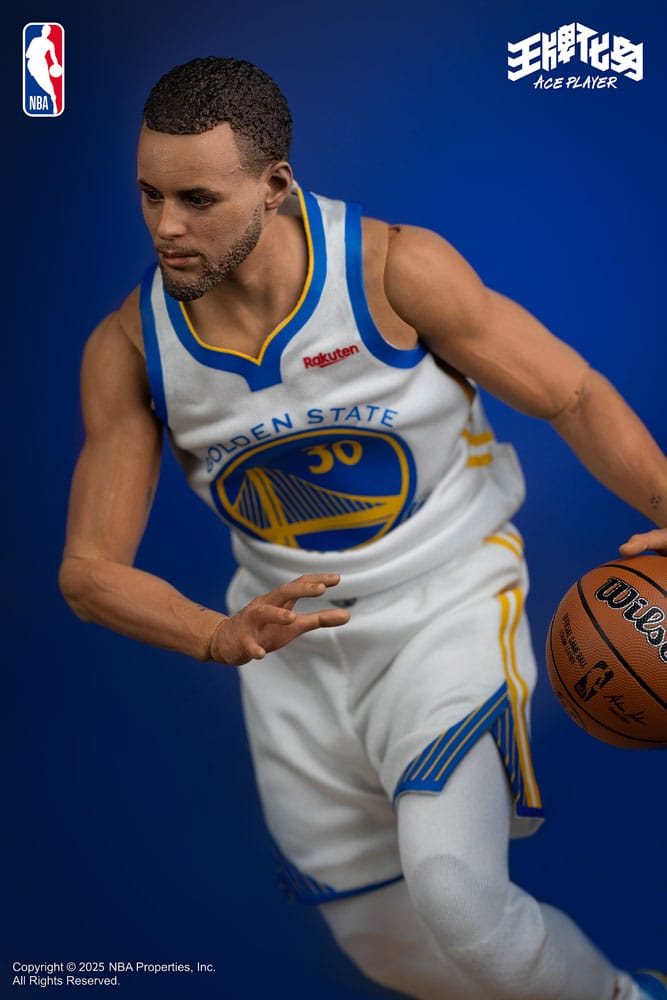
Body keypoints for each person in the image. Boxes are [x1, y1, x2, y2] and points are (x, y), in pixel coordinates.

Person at [59, 56, 667, 1000]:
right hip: (282, 644)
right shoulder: (131, 346)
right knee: (385, 947)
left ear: (274, 185)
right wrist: (216, 634)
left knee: (458, 896)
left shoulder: (390, 270)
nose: (166, 226)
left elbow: (572, 393)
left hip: (443, 600)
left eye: (196, 199)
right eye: (149, 195)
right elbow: (88, 572)